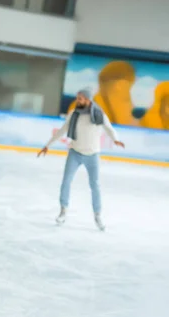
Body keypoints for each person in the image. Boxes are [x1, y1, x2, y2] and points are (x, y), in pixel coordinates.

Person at [38, 88, 125, 231]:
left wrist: (116, 140)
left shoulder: (99, 115)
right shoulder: (73, 114)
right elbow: (62, 131)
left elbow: (109, 129)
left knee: (95, 185)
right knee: (66, 181)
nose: (78, 101)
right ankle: (63, 211)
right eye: (77, 98)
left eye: (81, 99)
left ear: (88, 100)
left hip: (93, 155)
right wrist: (48, 145)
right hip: (75, 153)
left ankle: (97, 215)